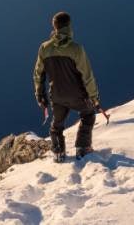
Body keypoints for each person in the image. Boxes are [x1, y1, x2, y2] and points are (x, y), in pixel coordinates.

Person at [33, 11, 101, 162]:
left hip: (57, 96)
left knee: (56, 124)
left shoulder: (44, 48)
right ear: (69, 26)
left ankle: (58, 152)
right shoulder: (76, 49)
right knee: (88, 115)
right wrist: (94, 97)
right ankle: (82, 148)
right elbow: (87, 75)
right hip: (78, 96)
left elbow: (38, 74)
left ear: (54, 26)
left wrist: (40, 95)